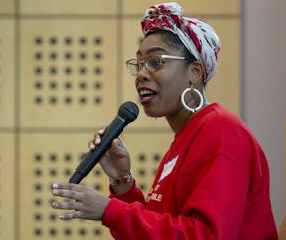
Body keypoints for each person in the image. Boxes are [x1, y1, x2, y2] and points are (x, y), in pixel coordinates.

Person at [51, 2, 278, 239]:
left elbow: (205, 235)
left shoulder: (222, 131)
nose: (141, 74)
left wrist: (110, 211)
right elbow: (158, 229)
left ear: (195, 71)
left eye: (156, 61)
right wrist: (122, 181)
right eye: (139, 64)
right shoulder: (185, 139)